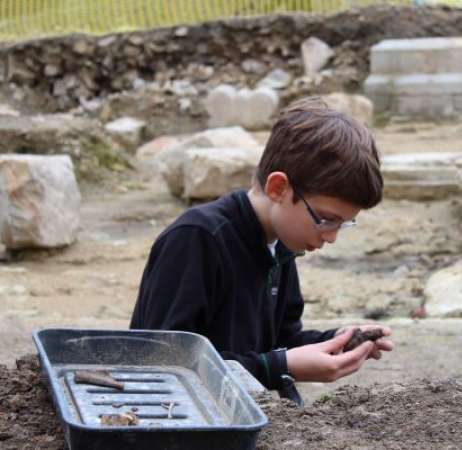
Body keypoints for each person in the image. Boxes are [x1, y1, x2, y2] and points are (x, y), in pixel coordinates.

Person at [130, 97, 393, 403]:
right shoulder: (196, 240)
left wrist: (336, 341)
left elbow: (282, 341)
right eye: (326, 219)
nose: (332, 237)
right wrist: (280, 368)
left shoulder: (280, 246)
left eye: (344, 224)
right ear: (279, 188)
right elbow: (163, 364)